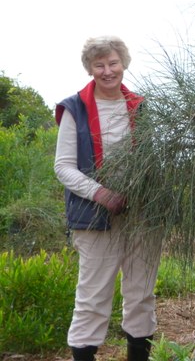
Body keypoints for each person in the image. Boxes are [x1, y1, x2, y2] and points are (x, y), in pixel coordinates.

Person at [54, 36, 160, 361]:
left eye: (113, 63)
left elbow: (151, 161)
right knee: (92, 299)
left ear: (123, 63)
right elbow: (63, 168)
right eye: (99, 65)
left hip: (141, 218)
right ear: (90, 68)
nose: (107, 70)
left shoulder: (140, 107)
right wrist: (102, 194)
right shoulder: (75, 109)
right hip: (94, 218)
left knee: (141, 295)